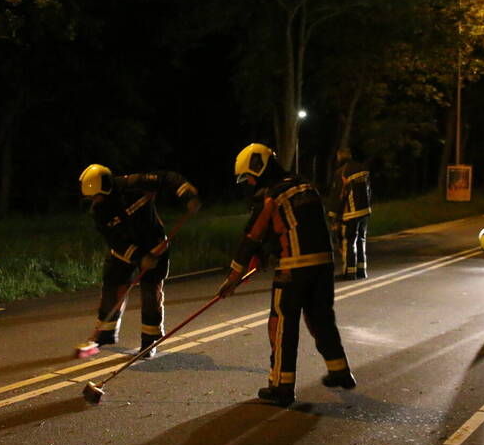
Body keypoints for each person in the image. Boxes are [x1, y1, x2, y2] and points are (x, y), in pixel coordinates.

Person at [217, 143, 355, 405]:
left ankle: (282, 386)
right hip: (323, 265)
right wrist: (268, 252)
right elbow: (294, 226)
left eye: (249, 177)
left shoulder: (271, 196)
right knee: (321, 318)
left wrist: (233, 277)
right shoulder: (305, 186)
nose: (249, 183)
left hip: (293, 268)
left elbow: (252, 237)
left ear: (259, 168)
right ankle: (340, 370)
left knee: (282, 325)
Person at [79, 164, 201, 357]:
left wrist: (187, 195)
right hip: (124, 250)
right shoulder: (99, 211)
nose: (95, 200)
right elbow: (114, 240)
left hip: (154, 245)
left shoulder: (135, 184)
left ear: (107, 187)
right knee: (113, 286)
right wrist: (139, 257)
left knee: (151, 292)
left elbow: (167, 177)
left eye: (96, 196)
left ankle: (149, 341)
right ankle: (105, 333)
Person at [327, 147, 372, 280]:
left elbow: (338, 195)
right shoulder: (363, 169)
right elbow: (369, 191)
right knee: (361, 240)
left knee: (348, 242)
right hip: (365, 212)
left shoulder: (342, 172)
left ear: (340, 156)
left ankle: (349, 272)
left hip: (350, 214)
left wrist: (333, 215)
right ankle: (361, 270)